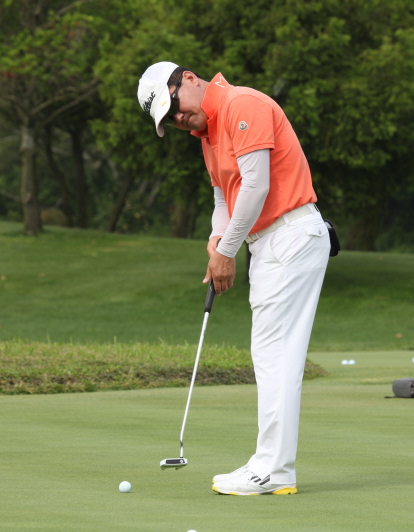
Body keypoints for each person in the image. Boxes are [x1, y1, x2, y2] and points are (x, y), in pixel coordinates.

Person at [137, 62, 330, 495]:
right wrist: (216, 239)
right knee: (269, 354)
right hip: (269, 242)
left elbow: (256, 186)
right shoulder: (207, 134)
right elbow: (223, 197)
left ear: (189, 79)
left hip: (289, 234)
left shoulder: (243, 104)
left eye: (175, 107)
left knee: (276, 356)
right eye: (170, 119)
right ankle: (270, 465)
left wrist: (226, 252)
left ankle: (273, 470)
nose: (179, 119)